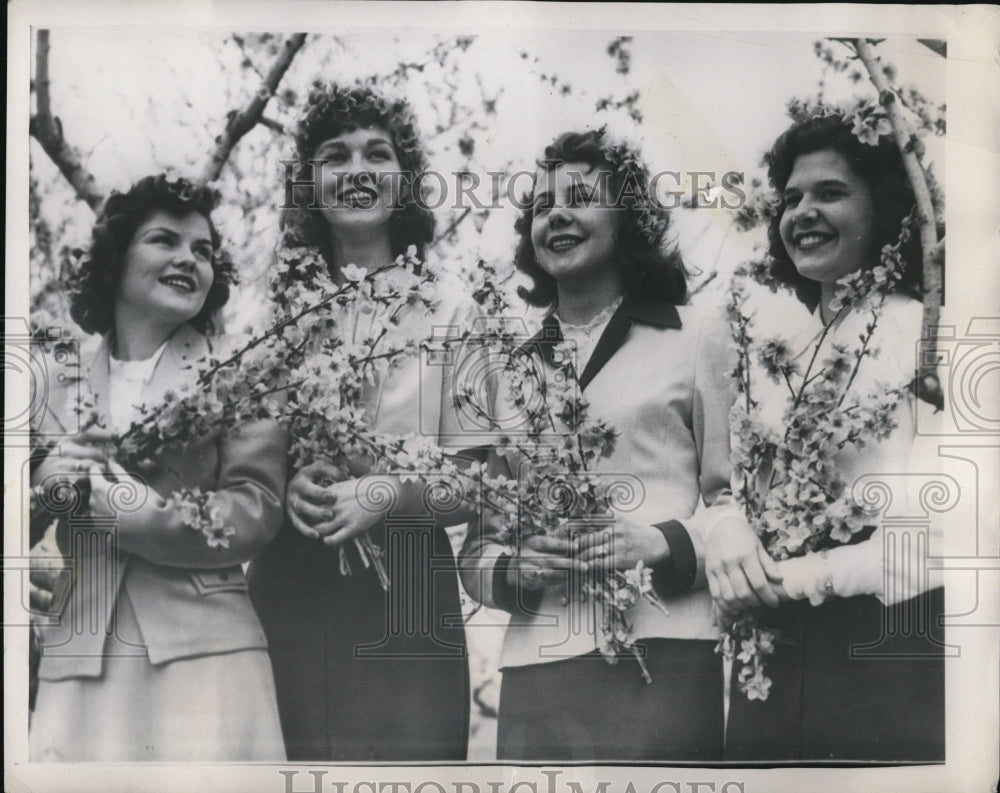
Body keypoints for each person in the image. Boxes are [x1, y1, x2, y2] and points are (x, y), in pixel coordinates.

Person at [458, 129, 735, 762]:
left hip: (664, 654)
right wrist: (515, 570)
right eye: (542, 204)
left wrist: (665, 541)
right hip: (537, 664)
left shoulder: (698, 336)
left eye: (581, 196)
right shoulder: (502, 367)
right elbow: (476, 544)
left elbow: (739, 501)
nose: (555, 213)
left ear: (628, 219)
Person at [246, 82, 471, 762]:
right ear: (308, 183)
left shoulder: (453, 310)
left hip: (407, 590)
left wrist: (385, 494)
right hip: (292, 578)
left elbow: (480, 481)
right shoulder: (272, 314)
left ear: (404, 182)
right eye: (335, 156)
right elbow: (241, 463)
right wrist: (284, 486)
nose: (357, 171)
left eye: (378, 154)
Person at [710, 114, 945, 762]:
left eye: (830, 193)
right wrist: (727, 532)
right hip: (772, 661)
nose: (803, 212)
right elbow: (731, 487)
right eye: (790, 199)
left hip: (889, 654)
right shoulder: (771, 355)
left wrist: (799, 577)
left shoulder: (929, 335)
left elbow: (945, 539)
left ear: (886, 204)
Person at [29, 174, 287, 761]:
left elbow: (256, 507)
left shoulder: (243, 369)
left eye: (203, 251)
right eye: (165, 240)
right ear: (116, 260)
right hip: (79, 661)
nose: (188, 259)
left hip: (207, 656)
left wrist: (145, 519)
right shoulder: (51, 380)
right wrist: (49, 488)